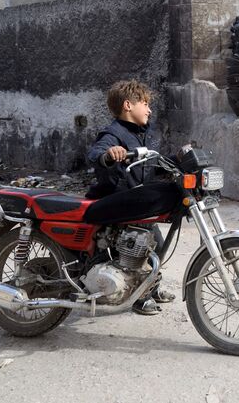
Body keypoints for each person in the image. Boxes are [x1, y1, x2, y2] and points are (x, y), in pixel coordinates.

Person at [85, 80, 176, 315]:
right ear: (128, 105)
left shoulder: (144, 134)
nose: (149, 109)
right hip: (117, 203)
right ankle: (137, 296)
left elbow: (156, 164)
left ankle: (150, 286)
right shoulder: (113, 134)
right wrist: (109, 154)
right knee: (137, 249)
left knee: (158, 247)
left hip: (138, 203)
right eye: (144, 104)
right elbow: (96, 153)